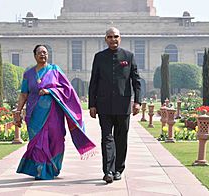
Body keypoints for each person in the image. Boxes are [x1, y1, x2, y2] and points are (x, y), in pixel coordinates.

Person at [14, 44, 96, 180]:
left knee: (56, 140)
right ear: (34, 56)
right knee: (37, 142)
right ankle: (40, 170)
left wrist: (50, 90)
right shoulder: (28, 74)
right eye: (40, 52)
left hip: (54, 114)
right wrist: (18, 110)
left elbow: (67, 90)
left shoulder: (55, 71)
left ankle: (53, 168)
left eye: (45, 52)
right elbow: (23, 94)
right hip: (34, 114)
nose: (43, 55)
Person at [88, 27, 141, 183]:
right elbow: (94, 82)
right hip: (104, 105)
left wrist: (137, 101)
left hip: (123, 104)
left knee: (121, 138)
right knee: (107, 138)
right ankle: (108, 171)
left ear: (120, 38)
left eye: (116, 36)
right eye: (110, 37)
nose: (113, 39)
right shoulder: (99, 57)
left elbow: (136, 81)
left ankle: (118, 169)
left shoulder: (128, 56)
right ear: (105, 39)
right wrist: (92, 104)